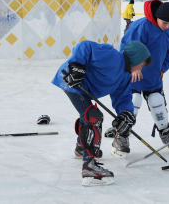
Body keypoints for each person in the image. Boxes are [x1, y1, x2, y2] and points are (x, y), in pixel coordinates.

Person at [51, 40, 151, 186]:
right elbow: (84, 46)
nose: (141, 67)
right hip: (71, 80)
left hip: (85, 89)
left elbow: (122, 98)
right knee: (93, 117)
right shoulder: (111, 56)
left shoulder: (124, 76)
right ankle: (89, 167)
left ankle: (81, 147)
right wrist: (77, 65)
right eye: (141, 64)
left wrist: (126, 114)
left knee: (87, 115)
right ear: (135, 57)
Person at [105, 0, 169, 157]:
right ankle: (121, 137)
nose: (167, 26)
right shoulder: (140, 27)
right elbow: (126, 48)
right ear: (157, 17)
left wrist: (163, 67)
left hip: (153, 76)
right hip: (134, 75)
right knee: (133, 103)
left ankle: (165, 132)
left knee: (157, 102)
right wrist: (130, 68)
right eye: (165, 23)